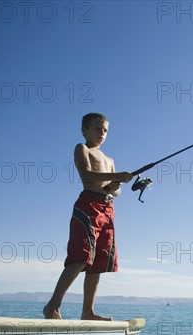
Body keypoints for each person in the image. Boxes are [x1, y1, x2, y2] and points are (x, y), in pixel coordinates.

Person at [43, 113, 133, 321]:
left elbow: (114, 191)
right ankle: (52, 306)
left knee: (99, 262)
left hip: (107, 209)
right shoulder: (81, 148)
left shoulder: (110, 160)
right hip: (88, 206)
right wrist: (116, 177)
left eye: (105, 130)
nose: (102, 133)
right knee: (81, 257)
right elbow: (87, 176)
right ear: (84, 131)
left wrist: (116, 184)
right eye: (97, 129)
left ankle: (88, 312)